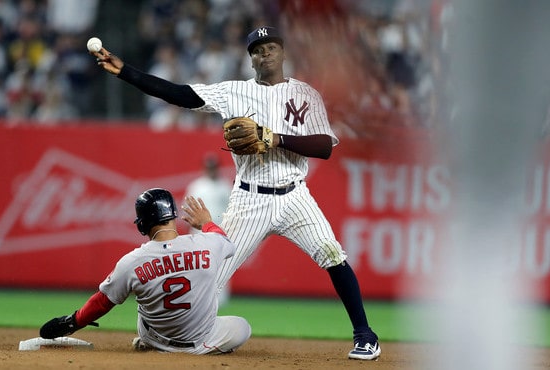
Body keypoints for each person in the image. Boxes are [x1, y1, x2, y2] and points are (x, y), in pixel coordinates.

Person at [90, 26, 381, 360]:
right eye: (257, 49)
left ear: (283, 53)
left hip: (295, 196)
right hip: (248, 198)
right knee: (209, 274)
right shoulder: (233, 92)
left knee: (333, 255)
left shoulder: (306, 95)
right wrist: (127, 72)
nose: (264, 53)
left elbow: (325, 147)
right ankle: (163, 333)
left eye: (271, 47)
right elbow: (180, 94)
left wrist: (275, 138)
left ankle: (365, 335)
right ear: (250, 59)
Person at [39, 189, 251, 355]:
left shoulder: (131, 262)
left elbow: (102, 302)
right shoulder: (207, 244)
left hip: (154, 338)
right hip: (202, 342)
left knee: (140, 300)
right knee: (243, 326)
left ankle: (152, 345)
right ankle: (202, 349)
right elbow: (225, 241)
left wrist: (73, 321)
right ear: (173, 216)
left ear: (142, 224)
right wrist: (206, 222)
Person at [185, 153, 233, 305]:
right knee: (198, 265)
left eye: (213, 167)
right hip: (198, 232)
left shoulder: (225, 186)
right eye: (209, 167)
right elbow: (188, 209)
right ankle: (197, 298)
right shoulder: (196, 186)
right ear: (205, 168)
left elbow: (231, 209)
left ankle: (220, 300)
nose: (211, 170)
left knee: (220, 265)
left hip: (219, 232)